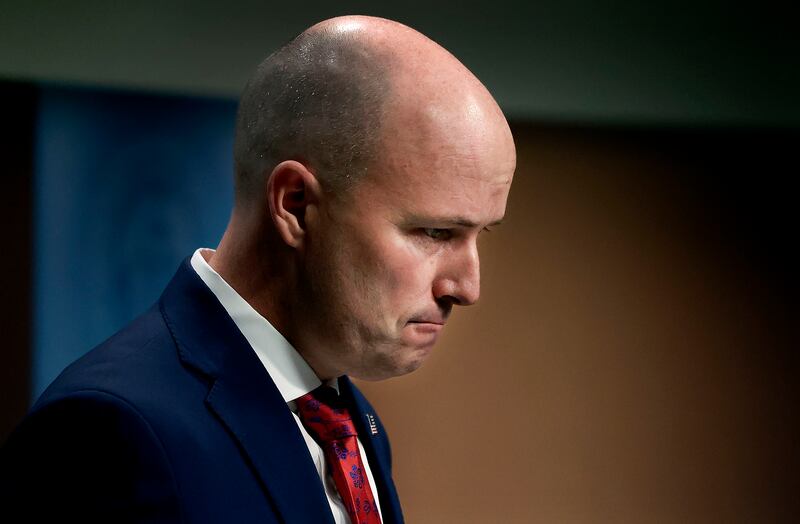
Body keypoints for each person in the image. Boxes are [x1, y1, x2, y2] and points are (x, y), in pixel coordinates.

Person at [0, 15, 515, 523]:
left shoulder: (348, 423)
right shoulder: (112, 433)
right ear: (294, 205)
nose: (467, 287)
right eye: (435, 233)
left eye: (480, 234)